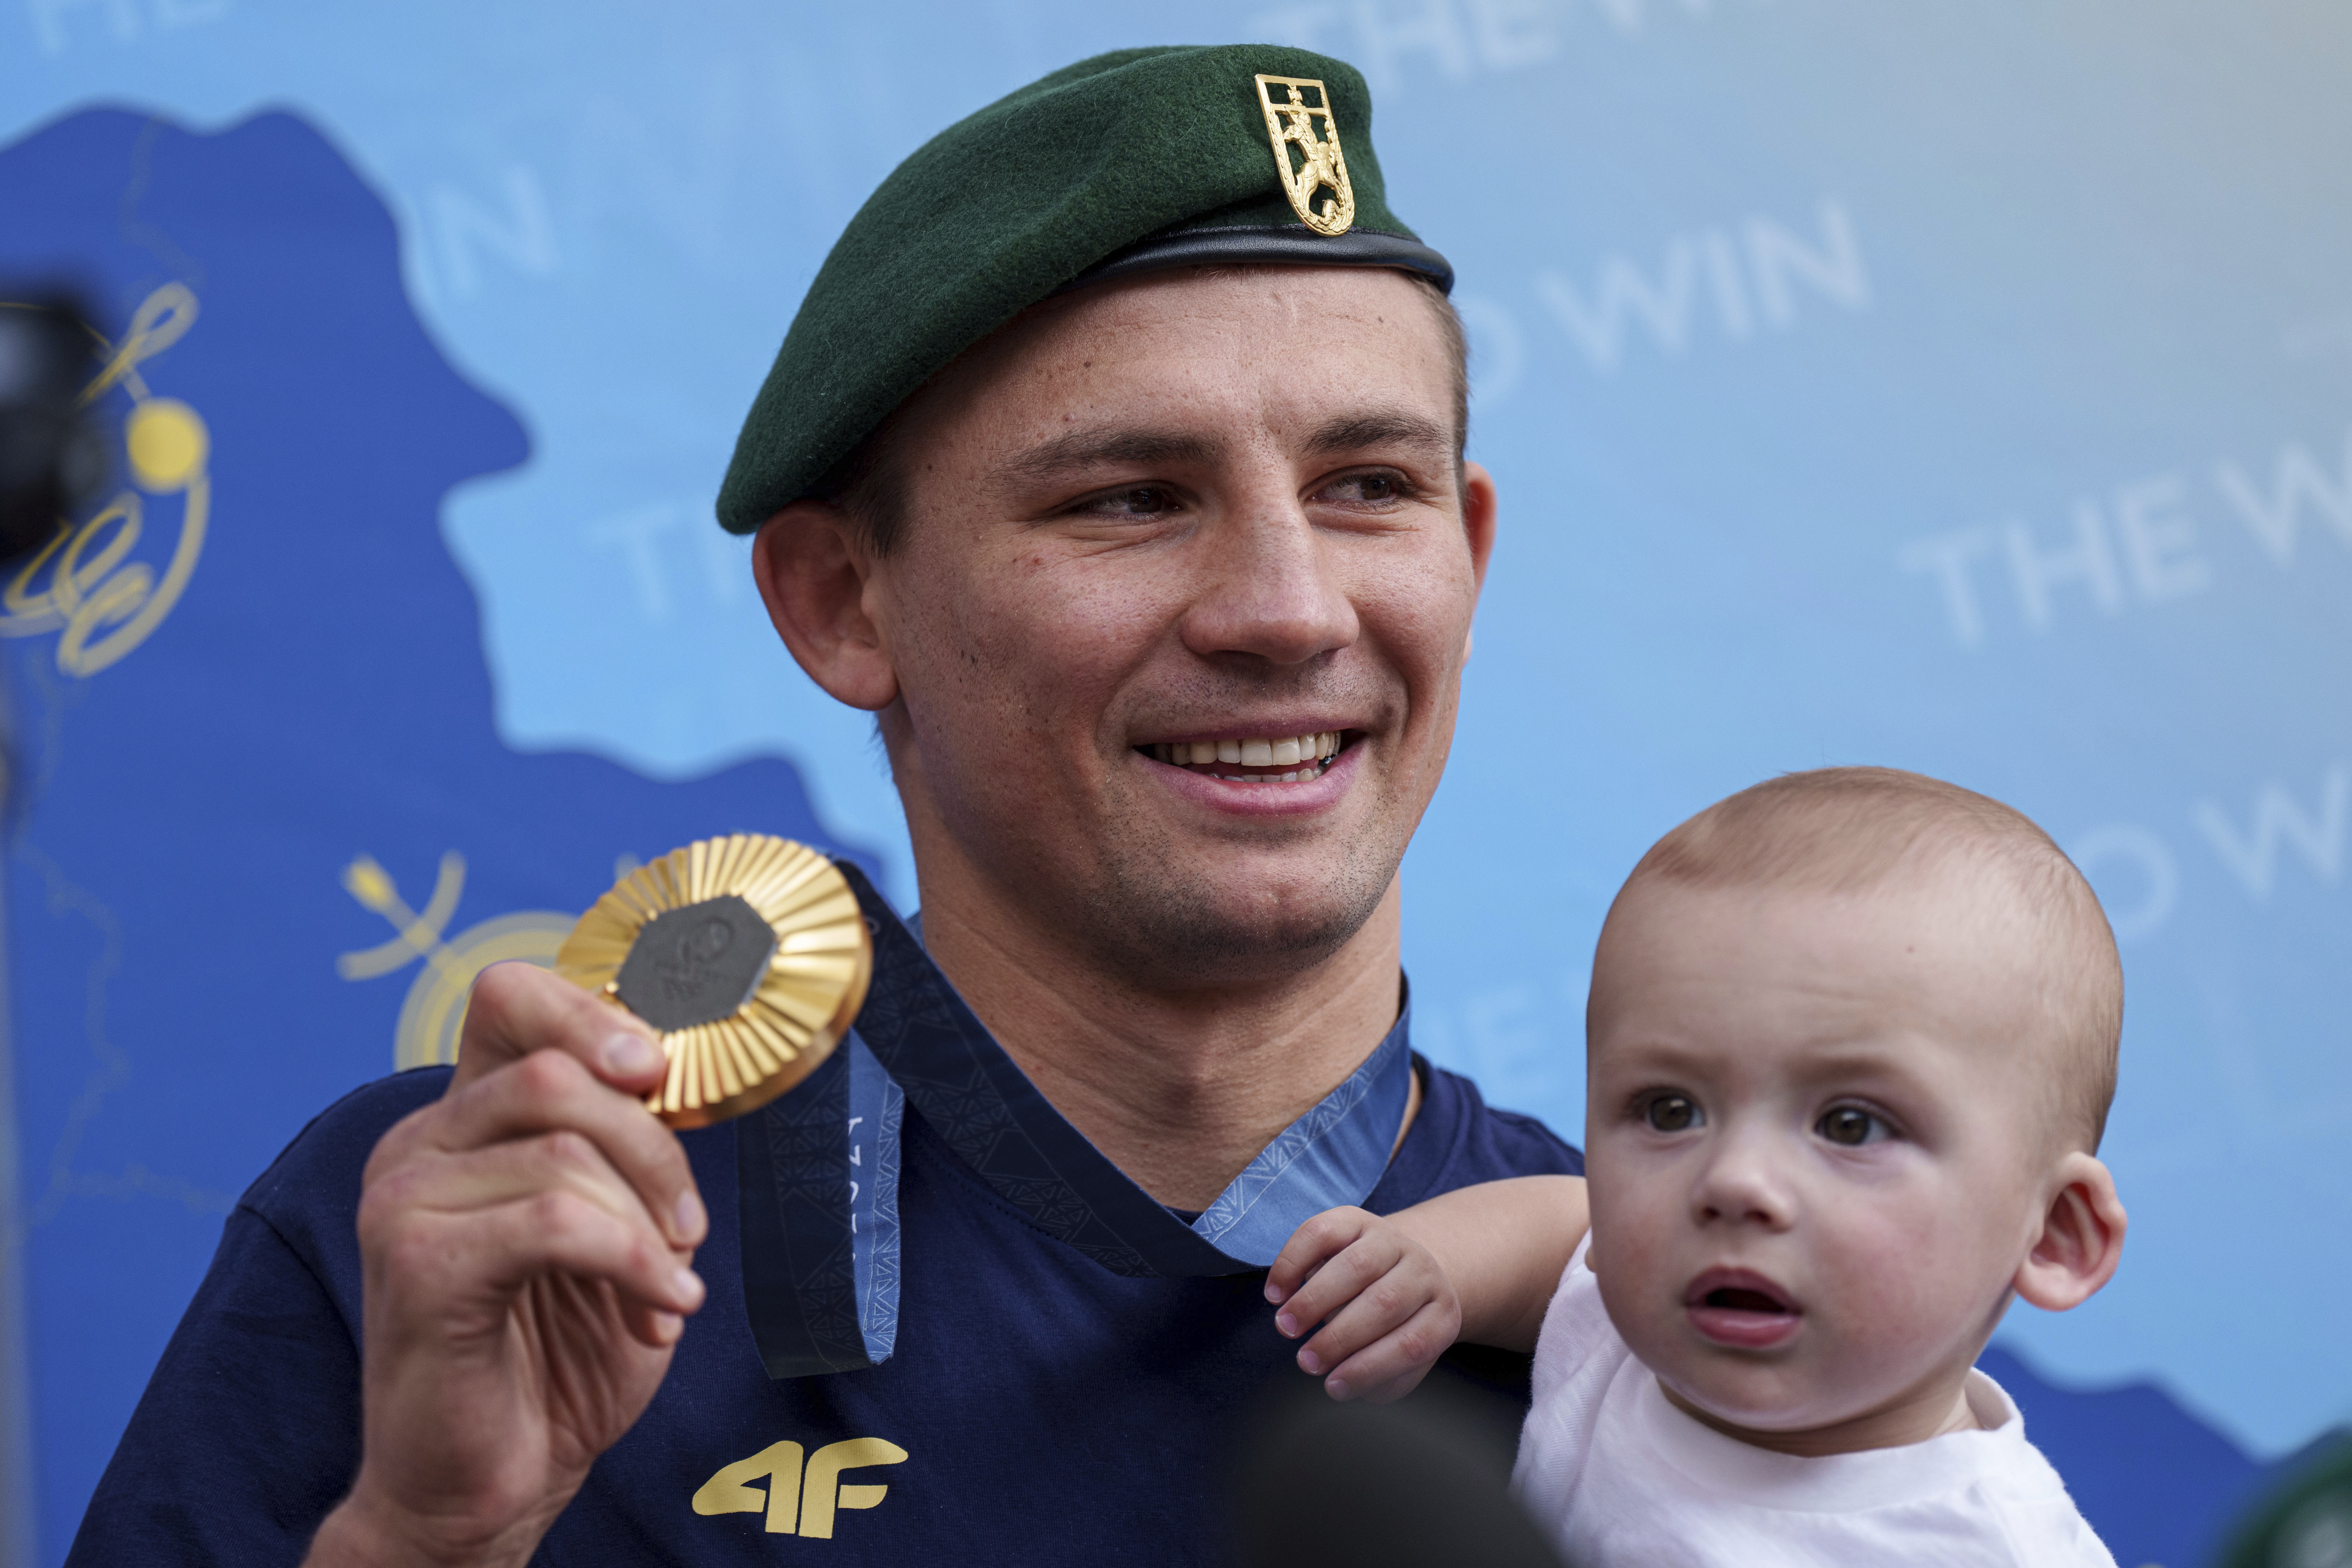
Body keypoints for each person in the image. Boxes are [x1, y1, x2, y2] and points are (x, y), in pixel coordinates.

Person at [65, 44, 1589, 1568]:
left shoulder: (1676, 1298)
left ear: (1465, 548)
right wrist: (428, 1534)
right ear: (840, 600)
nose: (1283, 607)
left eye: (1367, 485)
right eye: (1127, 497)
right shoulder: (476, 1246)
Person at [1270, 767, 2128, 1563]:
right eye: (1669, 1111)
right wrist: (1433, 1266)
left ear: (2052, 1232)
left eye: (1850, 1125)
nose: (1732, 1180)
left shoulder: (1993, 1546)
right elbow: (1565, 1232)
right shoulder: (1623, 1339)